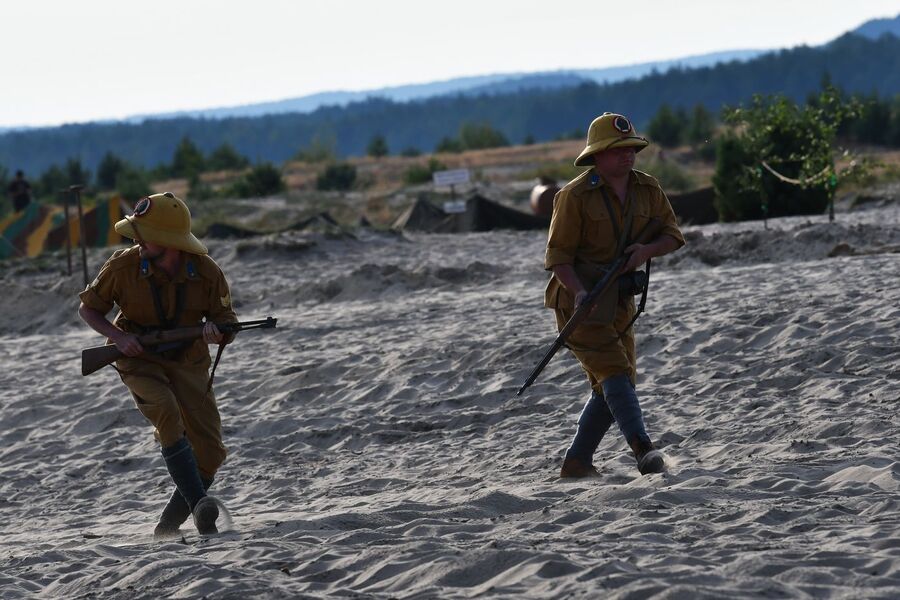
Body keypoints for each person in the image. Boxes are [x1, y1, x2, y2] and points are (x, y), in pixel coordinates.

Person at [77, 192, 238, 536]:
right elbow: (89, 308)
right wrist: (118, 338)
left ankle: (168, 525)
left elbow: (227, 322)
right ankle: (199, 505)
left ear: (168, 241)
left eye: (143, 234)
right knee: (165, 411)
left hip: (189, 360)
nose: (136, 240)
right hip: (138, 358)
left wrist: (218, 334)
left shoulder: (208, 273)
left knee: (210, 451)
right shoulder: (122, 266)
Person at [544, 113, 685, 478]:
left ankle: (577, 463)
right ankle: (643, 449)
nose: (627, 155)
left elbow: (672, 235)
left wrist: (644, 252)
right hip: (581, 303)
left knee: (615, 385)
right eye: (617, 149)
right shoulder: (573, 197)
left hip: (620, 300)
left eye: (630, 148)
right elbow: (558, 258)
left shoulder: (648, 188)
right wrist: (579, 292)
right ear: (597, 156)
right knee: (615, 373)